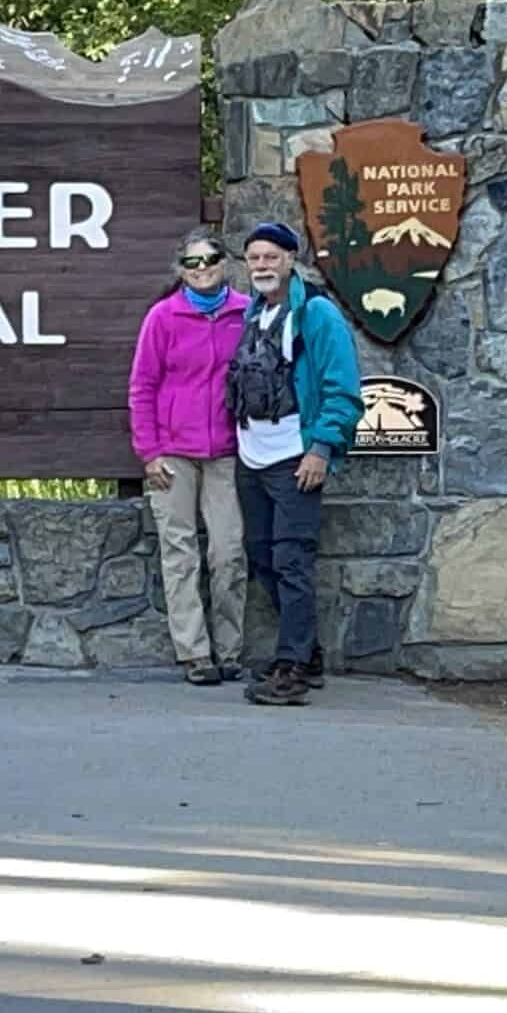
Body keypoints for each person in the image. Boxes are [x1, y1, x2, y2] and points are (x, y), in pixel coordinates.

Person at [227, 220, 362, 707]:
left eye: (271, 256)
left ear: (290, 259)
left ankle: (292, 669)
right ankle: (305, 651)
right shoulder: (255, 314)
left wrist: (322, 448)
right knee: (263, 556)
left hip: (294, 458)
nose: (262, 265)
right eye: (254, 258)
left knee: (292, 560)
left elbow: (342, 386)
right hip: (252, 456)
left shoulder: (318, 315)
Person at [126, 228, 249, 686]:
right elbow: (142, 387)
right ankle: (195, 653)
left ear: (224, 262)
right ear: (182, 270)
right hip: (172, 454)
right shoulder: (163, 317)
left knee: (228, 551)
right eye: (193, 263)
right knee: (180, 555)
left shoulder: (246, 312)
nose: (202, 270)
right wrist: (149, 451)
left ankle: (230, 649)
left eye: (210, 259)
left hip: (228, 453)